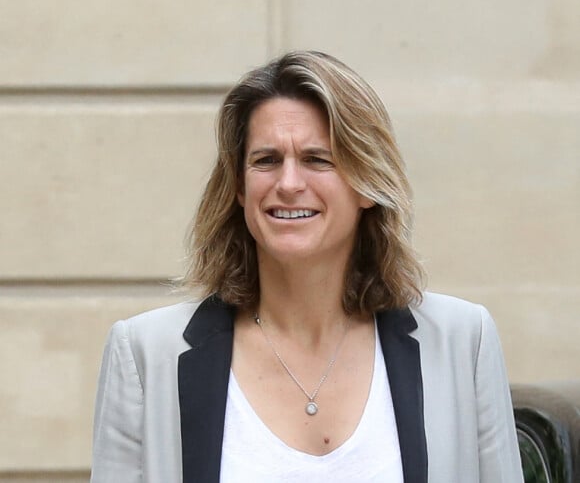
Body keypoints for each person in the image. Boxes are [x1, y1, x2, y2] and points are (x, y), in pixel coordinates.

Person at [90, 51, 524, 483]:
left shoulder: (463, 341)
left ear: (367, 185)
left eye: (318, 159)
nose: (289, 184)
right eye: (266, 160)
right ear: (239, 188)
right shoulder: (147, 354)